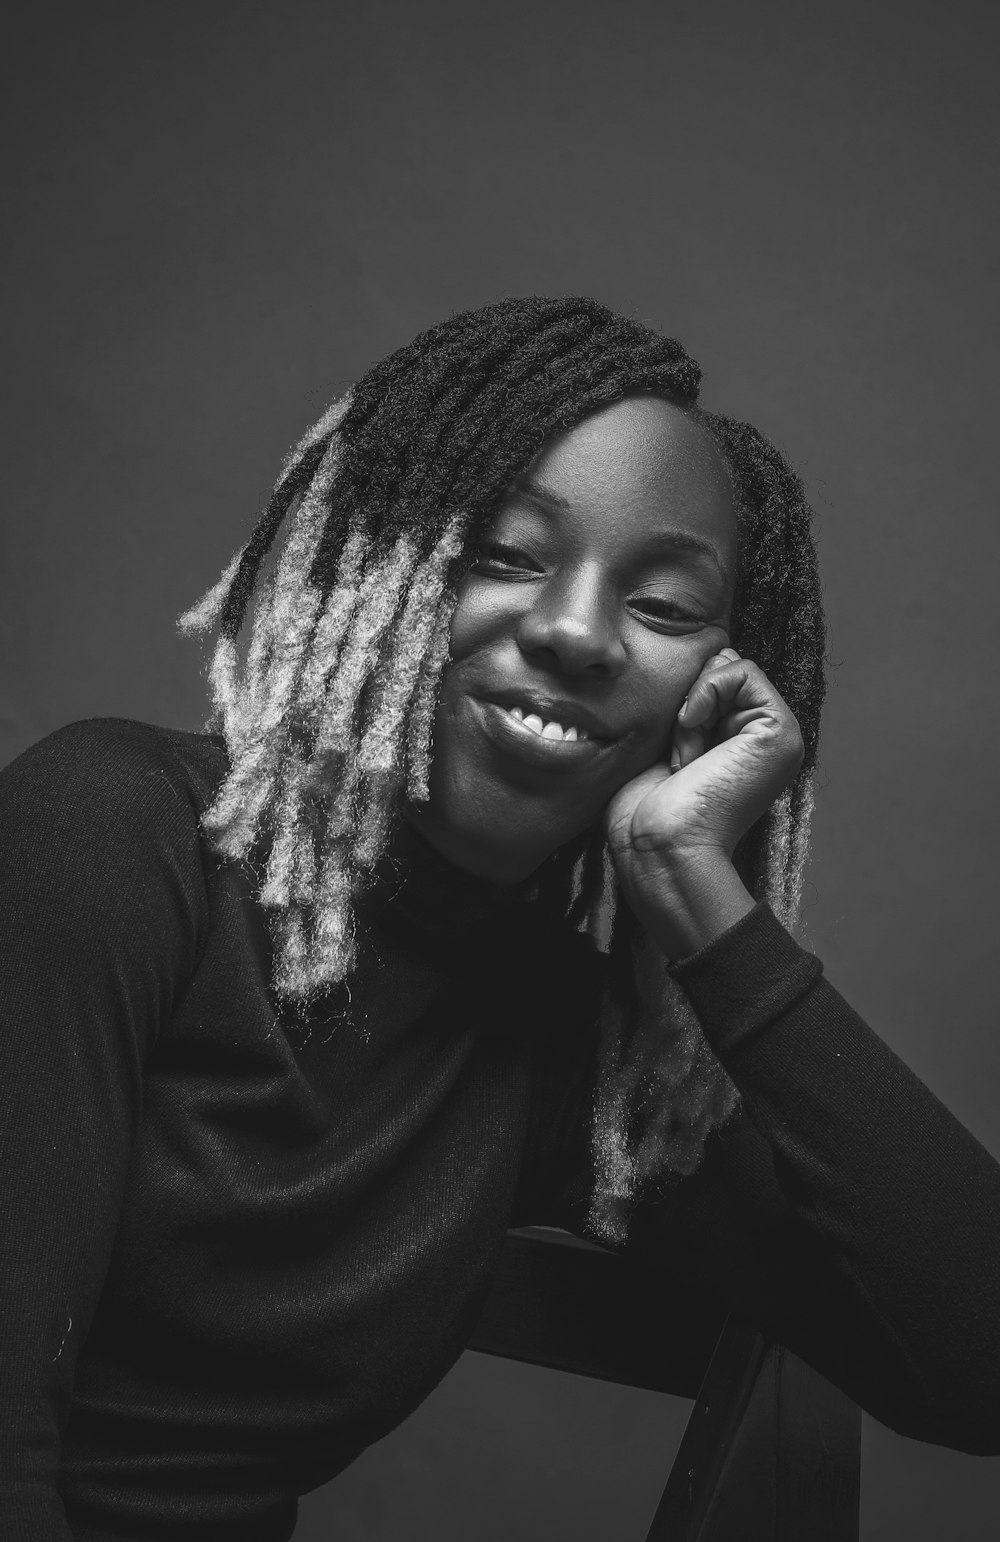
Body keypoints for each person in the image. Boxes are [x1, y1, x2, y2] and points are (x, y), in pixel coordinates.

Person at [1, 295, 997, 1542]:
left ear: (721, 689)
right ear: (371, 563)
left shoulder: (559, 1044)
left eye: (667, 608)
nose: (575, 632)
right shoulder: (109, 834)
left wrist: (705, 901)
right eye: (505, 555)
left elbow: (978, 1369)